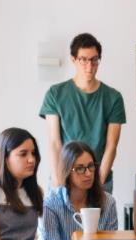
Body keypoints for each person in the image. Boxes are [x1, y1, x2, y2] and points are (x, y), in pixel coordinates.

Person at [39, 33, 126, 193]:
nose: (89, 66)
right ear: (73, 60)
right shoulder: (55, 94)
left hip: (99, 178)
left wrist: (97, 185)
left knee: (98, 219)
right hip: (64, 177)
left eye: (94, 60)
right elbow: (55, 143)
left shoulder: (113, 98)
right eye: (83, 60)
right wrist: (59, 182)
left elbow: (111, 146)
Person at [37, 141, 118, 240]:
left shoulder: (108, 202)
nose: (88, 173)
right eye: (80, 168)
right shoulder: (50, 204)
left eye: (91, 166)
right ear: (67, 171)